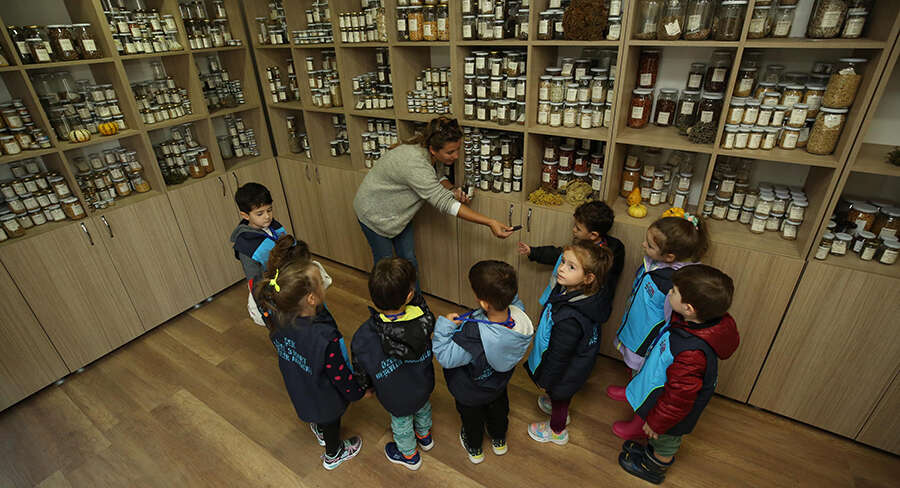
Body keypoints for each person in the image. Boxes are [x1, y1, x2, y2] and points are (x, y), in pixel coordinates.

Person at [617, 265, 739, 485]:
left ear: (689, 308)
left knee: (666, 441)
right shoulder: (690, 323)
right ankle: (650, 452)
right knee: (658, 436)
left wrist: (657, 422)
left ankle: (653, 468)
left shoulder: (692, 353)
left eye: (673, 291)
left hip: (672, 414)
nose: (669, 292)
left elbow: (678, 398)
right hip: (665, 402)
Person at [353, 117, 514, 278]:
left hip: (398, 215)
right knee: (386, 269)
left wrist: (452, 189)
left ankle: (414, 295)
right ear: (433, 150)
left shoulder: (426, 149)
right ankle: (392, 296)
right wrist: (490, 222)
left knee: (409, 261)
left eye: (458, 149)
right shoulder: (415, 163)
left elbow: (437, 175)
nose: (456, 156)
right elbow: (444, 203)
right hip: (374, 213)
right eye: (450, 152)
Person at [254, 249, 365, 471]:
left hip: (298, 384)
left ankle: (320, 429)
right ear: (311, 299)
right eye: (320, 283)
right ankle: (334, 454)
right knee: (330, 420)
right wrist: (358, 392)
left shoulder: (276, 315)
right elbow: (340, 375)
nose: (324, 284)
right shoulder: (325, 337)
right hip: (324, 397)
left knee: (317, 413)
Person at [607, 213, 710, 440]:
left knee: (647, 384)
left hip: (650, 341)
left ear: (670, 256)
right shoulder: (655, 263)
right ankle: (631, 391)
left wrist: (655, 348)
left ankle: (638, 421)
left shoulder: (677, 283)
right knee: (634, 369)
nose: (643, 245)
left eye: (650, 245)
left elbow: (673, 321)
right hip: (637, 330)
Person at [433, 260, 533, 464]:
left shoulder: (472, 337)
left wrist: (444, 326)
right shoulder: (520, 316)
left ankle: (475, 449)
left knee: (472, 421)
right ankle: (499, 440)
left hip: (471, 391)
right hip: (497, 384)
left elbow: (445, 356)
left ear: (485, 304)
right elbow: (514, 300)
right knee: (499, 412)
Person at [351, 258, 436, 471]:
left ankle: (410, 456)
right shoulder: (425, 318)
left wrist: (365, 387)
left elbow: (361, 367)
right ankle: (425, 437)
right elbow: (421, 305)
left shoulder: (363, 337)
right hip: (423, 383)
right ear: (409, 295)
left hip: (394, 395)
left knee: (402, 423)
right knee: (423, 407)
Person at [525, 242, 614, 445]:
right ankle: (557, 404)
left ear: (588, 278)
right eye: (563, 262)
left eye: (571, 266)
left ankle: (557, 430)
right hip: (577, 363)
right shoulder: (586, 294)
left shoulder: (570, 319)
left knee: (560, 396)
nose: (561, 268)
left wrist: (547, 380)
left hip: (566, 370)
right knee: (560, 394)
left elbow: (558, 356)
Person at [517, 200, 625, 314]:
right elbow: (558, 254)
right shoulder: (582, 244)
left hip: (578, 308)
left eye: (578, 228)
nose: (573, 230)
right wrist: (533, 252)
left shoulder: (603, 257)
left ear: (593, 235)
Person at [230, 182, 287, 326]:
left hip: (288, 281)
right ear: (245, 215)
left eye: (269, 210)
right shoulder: (246, 246)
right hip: (272, 293)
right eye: (260, 213)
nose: (267, 216)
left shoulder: (273, 225)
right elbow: (254, 281)